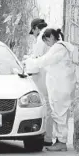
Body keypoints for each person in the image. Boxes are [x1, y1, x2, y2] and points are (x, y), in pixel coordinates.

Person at [24, 28, 76, 151]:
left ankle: (62, 142)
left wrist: (31, 61)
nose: (47, 44)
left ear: (51, 37)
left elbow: (45, 60)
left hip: (60, 87)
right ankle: (60, 141)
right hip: (60, 86)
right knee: (59, 113)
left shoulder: (59, 48)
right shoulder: (59, 48)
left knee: (60, 113)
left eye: (47, 41)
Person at [24, 18, 54, 146]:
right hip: (51, 76)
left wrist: (27, 62)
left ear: (36, 28)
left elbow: (37, 62)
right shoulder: (50, 33)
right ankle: (49, 136)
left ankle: (47, 137)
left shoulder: (41, 38)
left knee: (47, 106)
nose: (34, 34)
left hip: (44, 77)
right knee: (50, 106)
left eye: (34, 31)